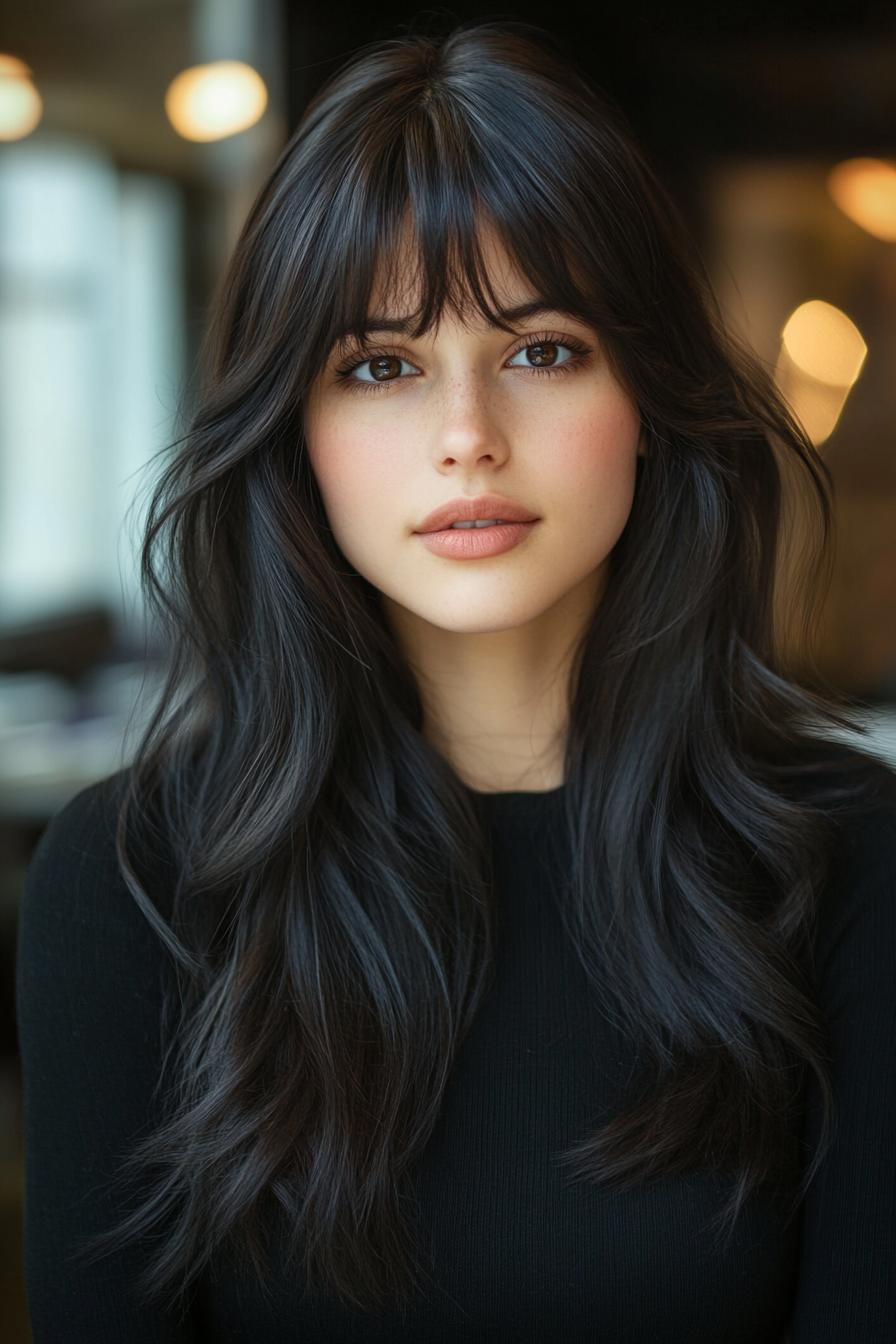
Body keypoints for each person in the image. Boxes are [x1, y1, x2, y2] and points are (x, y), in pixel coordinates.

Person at [16, 16, 896, 1343]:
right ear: (292, 433)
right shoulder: (134, 884)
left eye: (542, 351)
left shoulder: (850, 858)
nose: (468, 440)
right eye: (380, 367)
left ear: (648, 395)